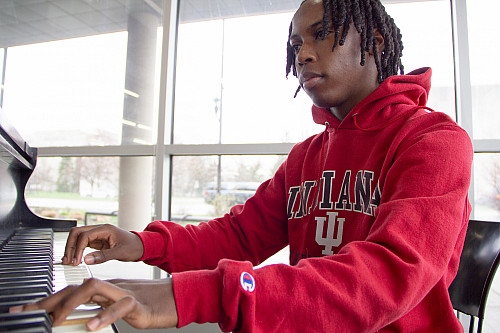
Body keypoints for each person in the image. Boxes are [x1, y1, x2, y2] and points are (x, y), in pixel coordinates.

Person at [12, 0, 473, 331]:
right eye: (295, 43)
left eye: (322, 34)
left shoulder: (434, 142)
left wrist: (187, 295)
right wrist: (141, 243)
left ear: (372, 42)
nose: (304, 53)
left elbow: (387, 277)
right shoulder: (306, 157)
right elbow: (237, 237)